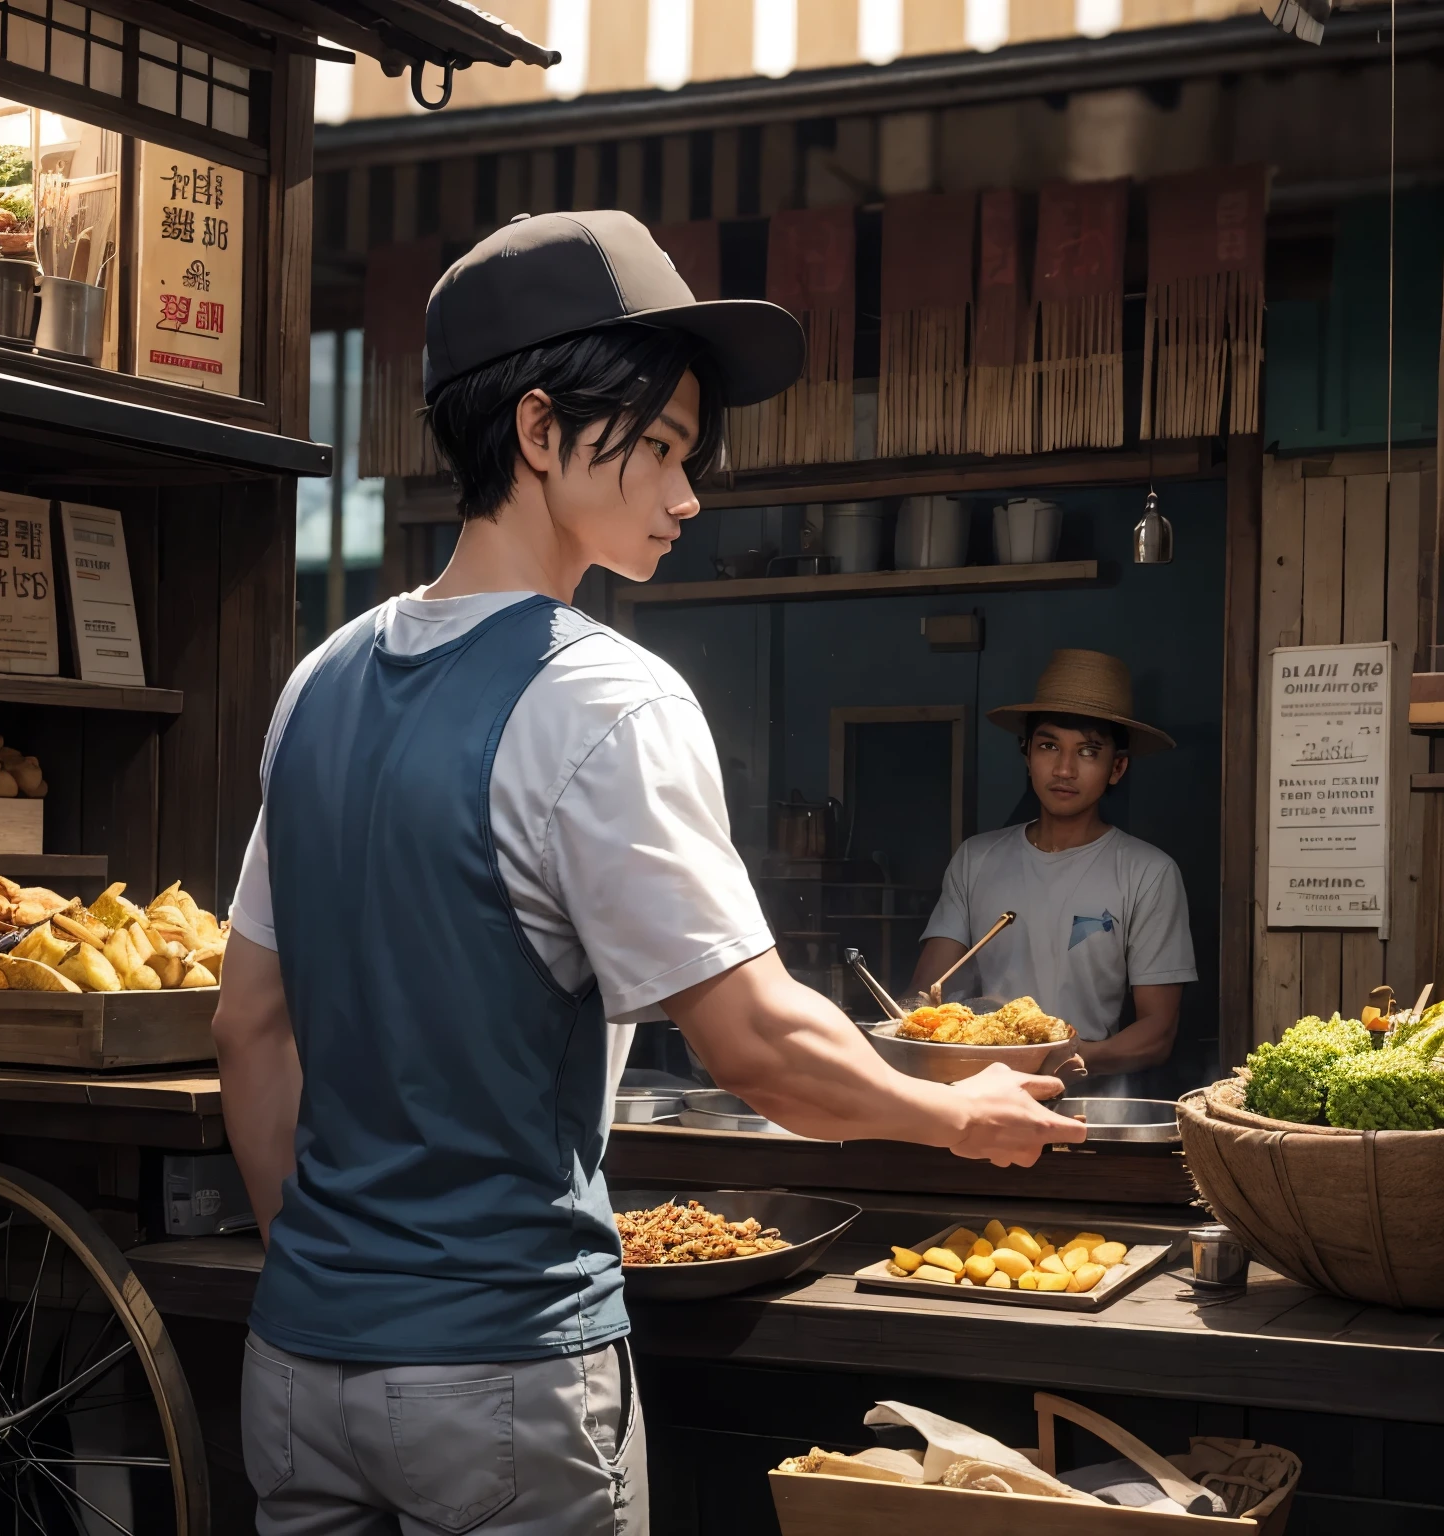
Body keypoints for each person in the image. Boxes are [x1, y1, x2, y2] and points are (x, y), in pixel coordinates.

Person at [212, 209, 1085, 1536]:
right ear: (541, 430)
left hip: (298, 1370)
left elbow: (249, 1023)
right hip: (501, 1376)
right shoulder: (603, 697)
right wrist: (958, 1113)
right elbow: (757, 1047)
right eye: (663, 448)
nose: (687, 495)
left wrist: (320, 1269)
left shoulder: (318, 684)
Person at [911, 648, 1197, 1079]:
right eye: (1048, 746)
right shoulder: (976, 859)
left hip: (1088, 1101)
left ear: (1116, 767)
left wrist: (1066, 1057)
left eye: (1087, 752)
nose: (1063, 769)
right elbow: (927, 998)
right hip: (976, 1091)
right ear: (1027, 754)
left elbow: (1158, 1032)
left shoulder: (1148, 873)